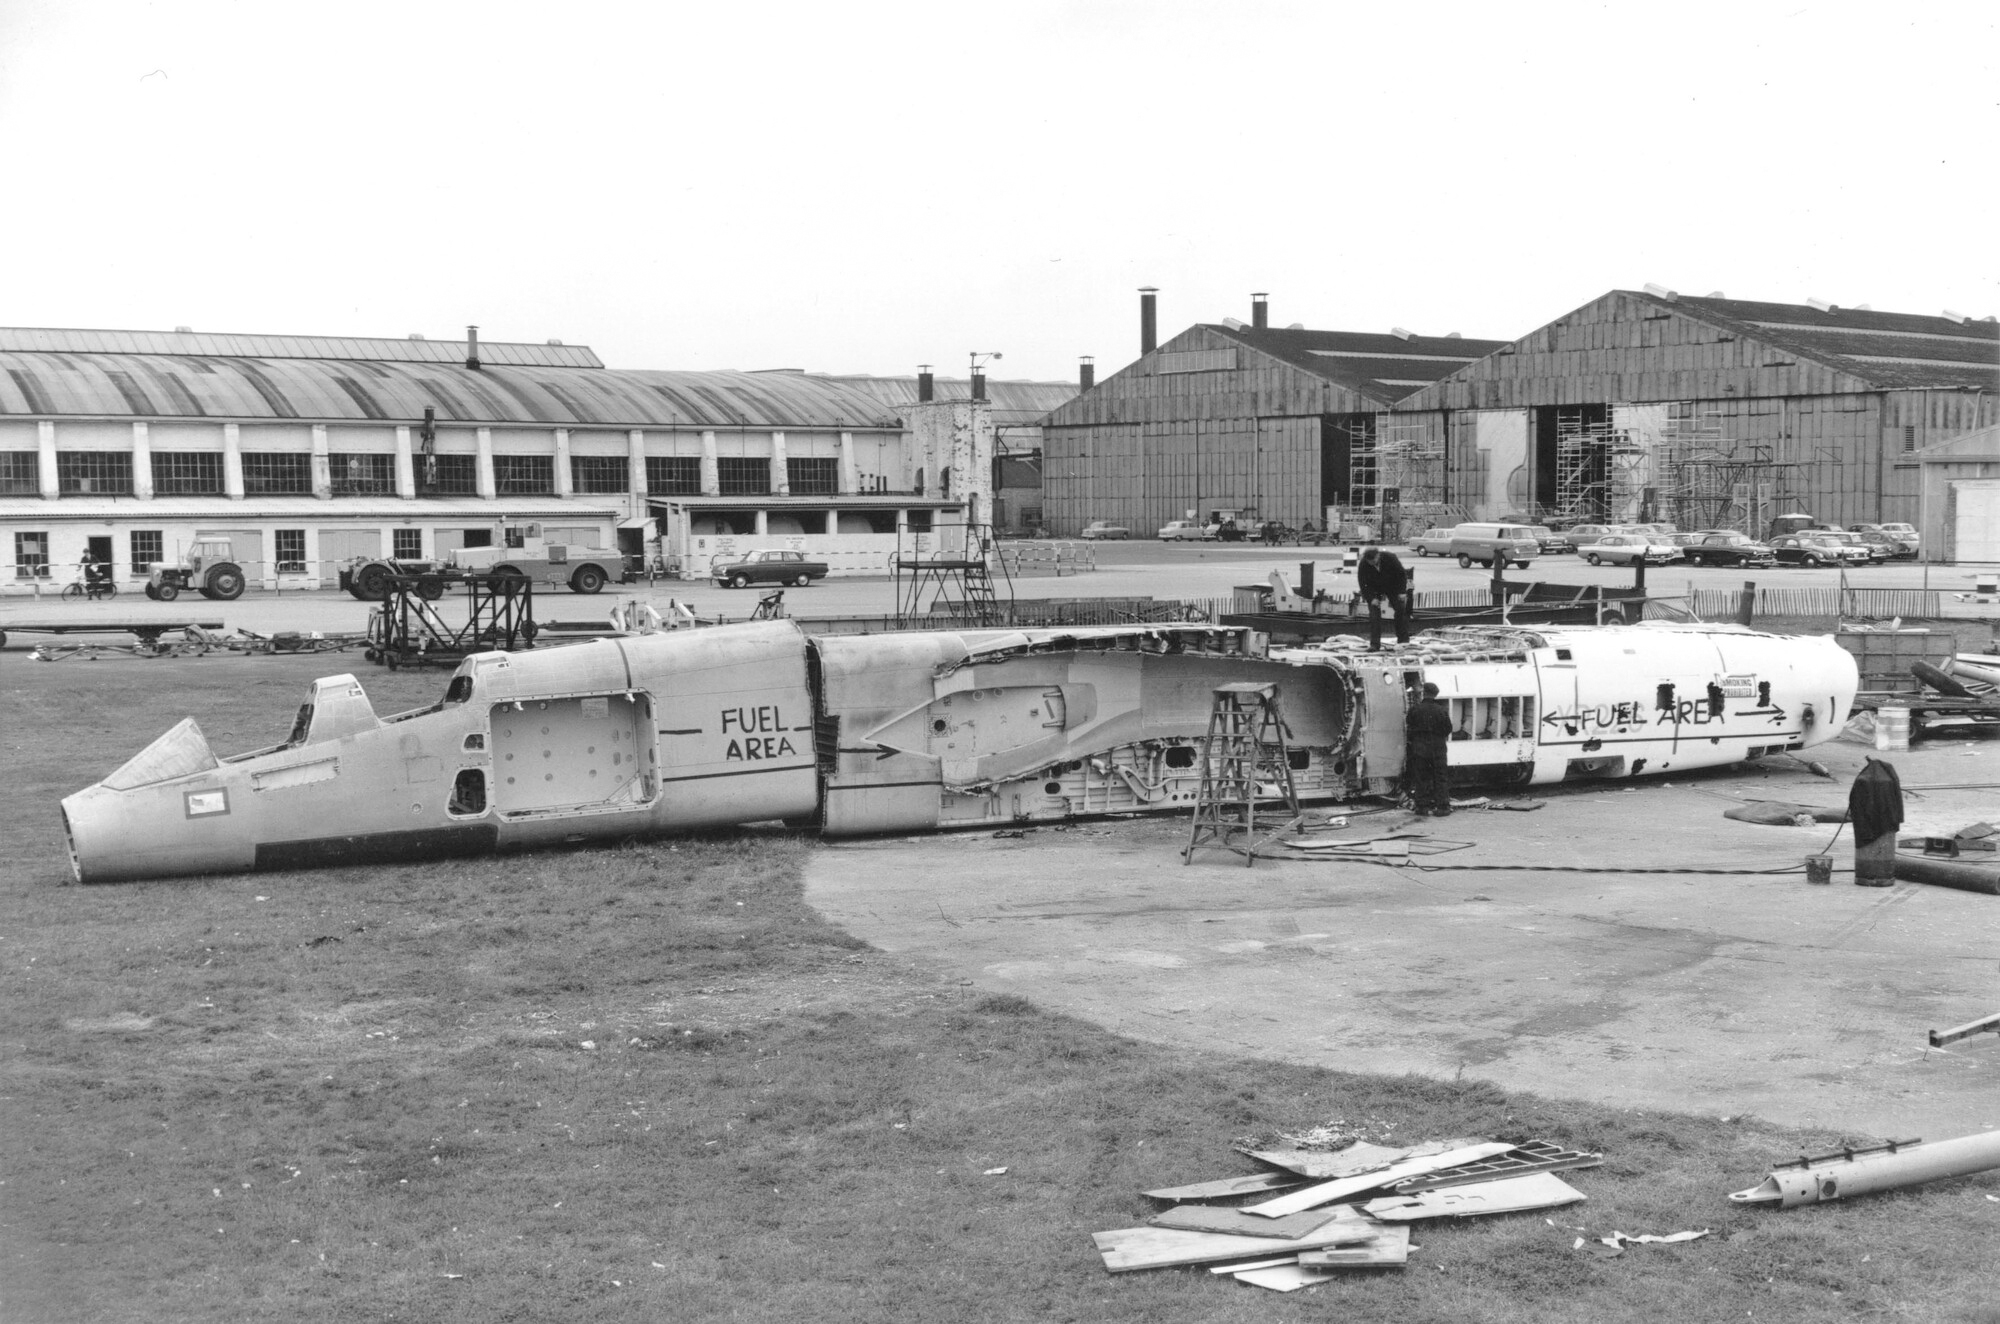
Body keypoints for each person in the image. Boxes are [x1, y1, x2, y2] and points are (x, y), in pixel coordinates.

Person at [1404, 681, 1453, 816]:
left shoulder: (1415, 710)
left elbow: (1409, 728)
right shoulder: (1441, 710)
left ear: (1423, 693)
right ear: (1435, 695)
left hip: (1420, 749)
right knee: (1440, 778)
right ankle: (1442, 807)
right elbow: (1448, 729)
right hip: (1438, 749)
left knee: (1421, 778)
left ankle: (1422, 807)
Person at [1356, 545, 1411, 650]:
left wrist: (1402, 592)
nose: (1372, 563)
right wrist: (1371, 599)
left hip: (1392, 586)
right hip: (1375, 589)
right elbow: (1363, 584)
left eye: (1374, 560)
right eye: (1370, 562)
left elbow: (1401, 574)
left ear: (1378, 555)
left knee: (1400, 610)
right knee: (1374, 616)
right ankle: (1375, 644)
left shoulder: (1390, 558)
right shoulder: (1364, 564)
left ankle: (1403, 640)